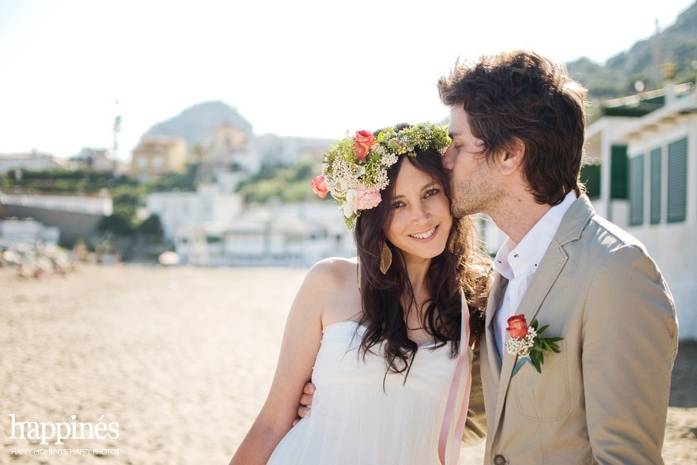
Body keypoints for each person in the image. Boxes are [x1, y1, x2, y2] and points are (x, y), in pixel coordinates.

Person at [297, 51, 679, 465]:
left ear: (509, 155)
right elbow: (484, 415)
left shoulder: (615, 272)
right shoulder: (504, 276)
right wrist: (353, 399)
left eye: (458, 144)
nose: (445, 159)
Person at [227, 123, 490, 465]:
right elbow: (272, 422)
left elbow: (478, 416)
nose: (421, 216)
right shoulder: (330, 281)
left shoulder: (475, 301)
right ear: (375, 216)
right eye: (397, 204)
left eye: (430, 192)